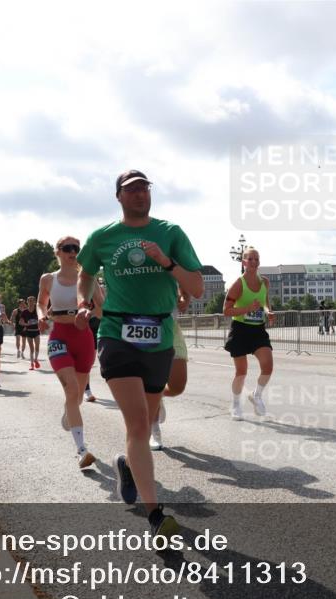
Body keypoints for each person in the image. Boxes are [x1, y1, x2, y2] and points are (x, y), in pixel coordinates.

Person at [76, 169, 203, 541]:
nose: (140, 195)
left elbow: (195, 287)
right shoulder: (102, 237)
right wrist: (86, 301)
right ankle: (156, 515)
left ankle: (128, 466)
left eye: (145, 188)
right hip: (117, 332)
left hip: (159, 335)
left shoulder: (171, 232)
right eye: (132, 190)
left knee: (146, 423)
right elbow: (86, 273)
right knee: (136, 424)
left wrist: (166, 261)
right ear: (119, 196)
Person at [38, 236, 104, 469]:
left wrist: (89, 311)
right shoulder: (48, 279)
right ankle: (81, 450)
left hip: (84, 338)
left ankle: (69, 413)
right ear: (58, 252)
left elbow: (102, 310)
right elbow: (40, 303)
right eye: (68, 248)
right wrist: (41, 316)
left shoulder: (87, 279)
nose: (73, 251)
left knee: (76, 398)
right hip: (59, 337)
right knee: (72, 389)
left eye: (76, 248)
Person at [222, 247, 275, 420]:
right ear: (243, 262)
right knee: (241, 372)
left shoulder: (264, 282)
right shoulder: (238, 284)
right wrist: (247, 309)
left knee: (268, 366)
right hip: (240, 330)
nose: (253, 262)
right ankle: (236, 404)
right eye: (250, 259)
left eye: (256, 259)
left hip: (258, 329)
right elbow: (226, 310)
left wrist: (268, 312)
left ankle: (256, 395)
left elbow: (265, 302)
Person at [149, 286, 191, 450]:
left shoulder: (169, 262)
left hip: (170, 329)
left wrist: (185, 298)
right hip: (144, 328)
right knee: (151, 384)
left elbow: (187, 283)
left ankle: (156, 395)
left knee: (177, 387)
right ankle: (155, 432)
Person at [22, 296, 41, 370]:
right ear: (27, 302)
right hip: (29, 331)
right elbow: (21, 321)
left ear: (34, 302)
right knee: (31, 348)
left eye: (32, 301)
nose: (30, 302)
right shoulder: (25, 312)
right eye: (29, 301)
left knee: (37, 346)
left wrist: (41, 321)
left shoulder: (37, 310)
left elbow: (42, 317)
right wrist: (26, 324)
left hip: (36, 331)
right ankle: (32, 364)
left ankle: (36, 359)